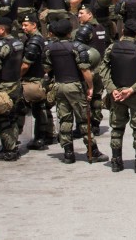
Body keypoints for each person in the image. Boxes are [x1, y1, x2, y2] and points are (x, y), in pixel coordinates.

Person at [99, 19, 136, 172]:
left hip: (116, 94)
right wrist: (132, 89)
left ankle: (116, 162)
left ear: (123, 31)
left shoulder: (112, 48)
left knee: (117, 128)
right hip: (135, 95)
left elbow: (103, 70)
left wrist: (112, 89)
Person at [44, 17, 93, 164]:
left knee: (64, 119)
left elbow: (46, 68)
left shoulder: (49, 48)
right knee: (84, 118)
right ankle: (92, 149)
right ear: (69, 32)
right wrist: (90, 86)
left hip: (59, 85)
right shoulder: (77, 47)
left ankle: (68, 152)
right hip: (74, 85)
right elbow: (84, 69)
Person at [0, 17, 23, 161]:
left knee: (3, 118)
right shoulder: (17, 42)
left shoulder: (1, 45)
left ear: (2, 29)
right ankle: (13, 144)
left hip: (3, 86)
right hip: (15, 84)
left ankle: (9, 149)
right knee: (12, 116)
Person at [19, 13, 53, 151]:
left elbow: (26, 64)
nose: (23, 27)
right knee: (42, 109)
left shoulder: (34, 41)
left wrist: (17, 76)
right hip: (40, 79)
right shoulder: (39, 39)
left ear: (34, 25)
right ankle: (47, 135)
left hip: (33, 80)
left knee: (29, 109)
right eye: (22, 25)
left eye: (26, 25)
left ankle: (39, 139)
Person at [74, 5, 109, 134]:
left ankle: (82, 127)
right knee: (97, 97)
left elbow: (77, 46)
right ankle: (95, 124)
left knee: (83, 97)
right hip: (100, 67)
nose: (79, 16)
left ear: (90, 15)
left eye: (81, 13)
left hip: (88, 68)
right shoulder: (101, 28)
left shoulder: (85, 30)